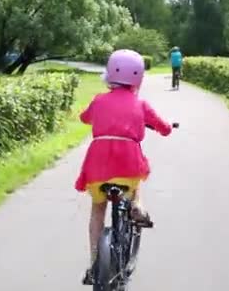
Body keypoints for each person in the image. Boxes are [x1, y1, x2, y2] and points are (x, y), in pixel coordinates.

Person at [76, 49, 174, 284]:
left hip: (97, 165)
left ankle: (95, 264)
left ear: (110, 74)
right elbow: (164, 128)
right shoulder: (141, 104)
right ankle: (137, 206)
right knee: (136, 178)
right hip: (128, 162)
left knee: (97, 210)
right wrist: (167, 127)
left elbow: (84, 117)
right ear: (138, 77)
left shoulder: (99, 101)